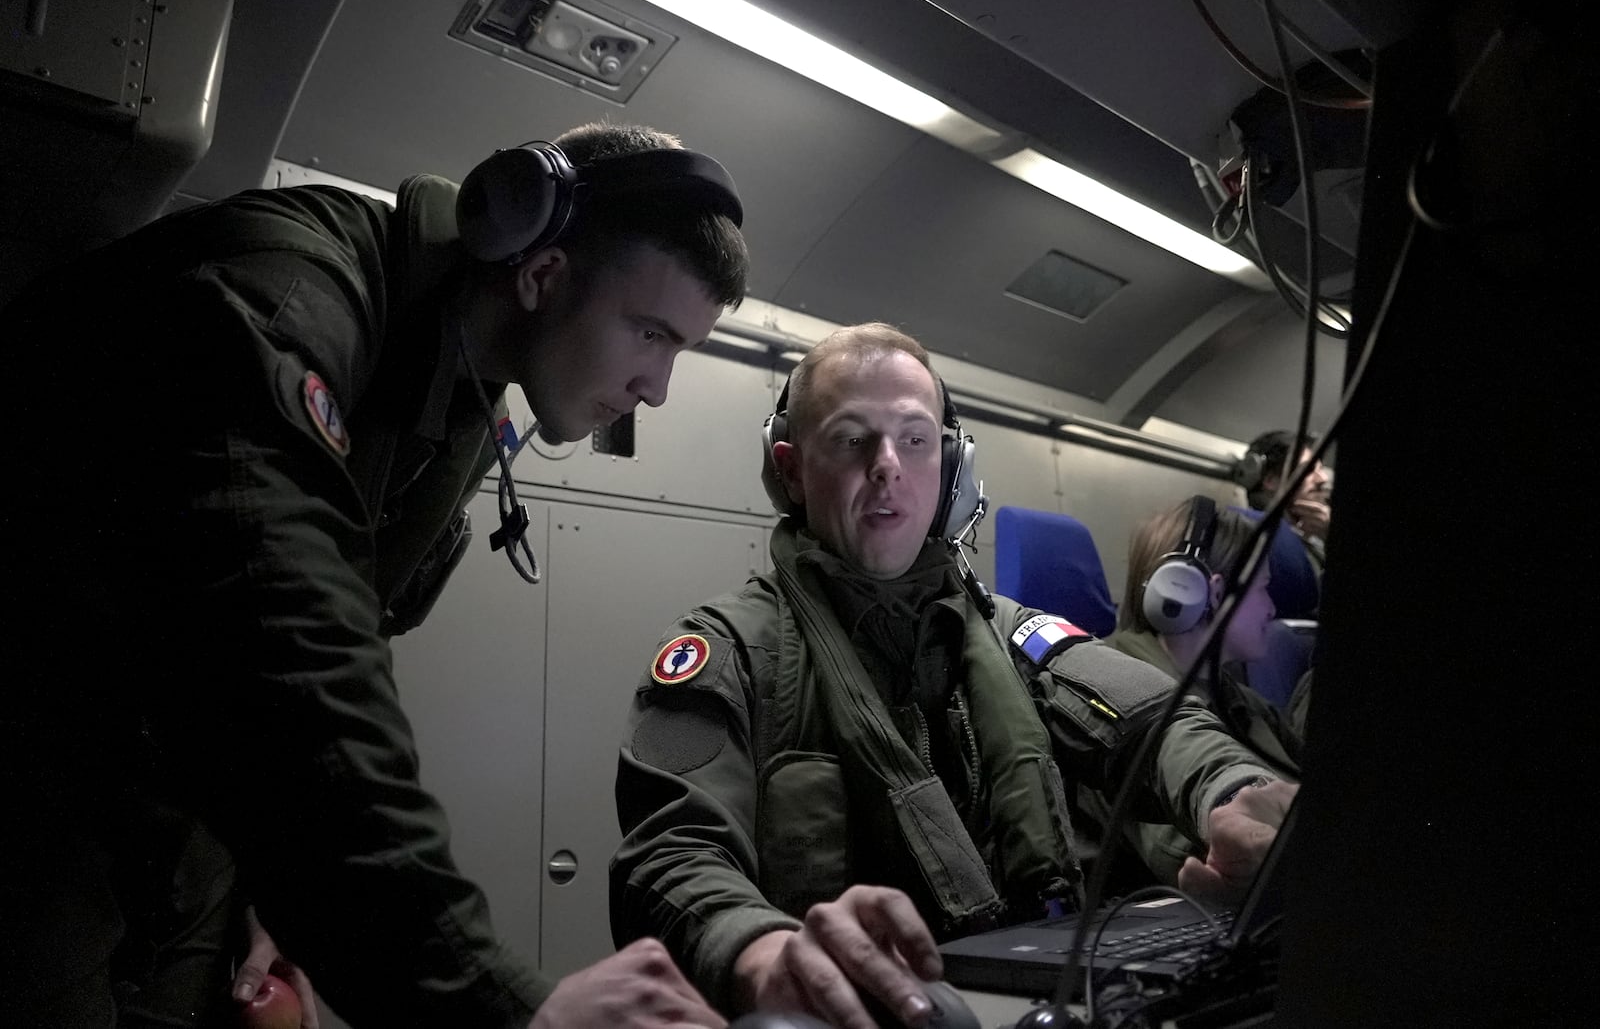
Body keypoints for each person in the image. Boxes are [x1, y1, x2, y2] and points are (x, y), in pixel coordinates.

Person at [0, 122, 748, 1028]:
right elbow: (278, 645)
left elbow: (351, 636)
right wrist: (501, 1005)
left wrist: (277, 899)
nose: (658, 387)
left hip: (174, 831)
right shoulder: (287, 293)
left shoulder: (462, 393)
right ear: (544, 274)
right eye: (652, 333)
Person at [610, 323, 1293, 1029]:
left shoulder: (1010, 633)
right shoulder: (727, 653)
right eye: (851, 439)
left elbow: (1158, 719)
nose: (887, 466)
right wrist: (758, 950)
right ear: (790, 469)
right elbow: (671, 855)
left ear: (952, 467)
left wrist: (1233, 792)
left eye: (914, 438)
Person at [1085, 496, 1308, 886]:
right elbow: (1202, 857)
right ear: (1215, 593)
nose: (1272, 609)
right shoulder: (1118, 696)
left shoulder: (1241, 701)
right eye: (1263, 589)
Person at [1241, 429, 1333, 618]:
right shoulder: (1263, 540)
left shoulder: (1315, 536)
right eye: (1308, 470)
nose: (1322, 478)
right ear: (1271, 481)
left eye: (1320, 469)